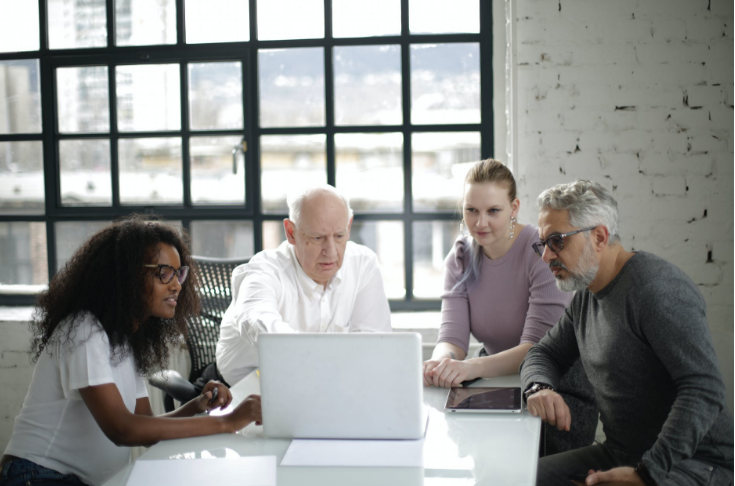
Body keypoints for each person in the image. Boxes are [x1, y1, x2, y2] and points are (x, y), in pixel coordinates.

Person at [0, 216, 262, 486]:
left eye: (178, 273)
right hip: (36, 475)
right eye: (164, 273)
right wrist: (228, 422)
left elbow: (145, 426)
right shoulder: (84, 329)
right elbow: (122, 429)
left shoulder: (124, 340)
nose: (176, 285)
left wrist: (197, 405)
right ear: (127, 275)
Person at [522, 180, 733, 486]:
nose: (546, 257)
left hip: (695, 463)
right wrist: (539, 387)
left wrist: (647, 473)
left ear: (599, 236)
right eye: (542, 244)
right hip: (623, 453)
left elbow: (704, 388)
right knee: (519, 477)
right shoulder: (587, 295)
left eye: (556, 241)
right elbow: (544, 353)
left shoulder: (656, 290)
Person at [422, 159, 597, 454]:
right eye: (471, 210)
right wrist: (442, 363)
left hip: (553, 388)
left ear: (514, 208)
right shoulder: (461, 256)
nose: (480, 223)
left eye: (493, 211)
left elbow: (536, 351)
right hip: (495, 382)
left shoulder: (540, 252)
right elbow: (452, 339)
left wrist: (464, 368)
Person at [216, 184, 392, 385]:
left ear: (349, 226)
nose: (331, 251)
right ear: (291, 232)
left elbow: (373, 345)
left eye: (339, 236)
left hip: (321, 387)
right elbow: (258, 322)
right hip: (242, 391)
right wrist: (322, 363)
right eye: (317, 238)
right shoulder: (263, 270)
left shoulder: (363, 263)